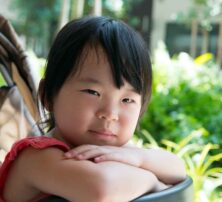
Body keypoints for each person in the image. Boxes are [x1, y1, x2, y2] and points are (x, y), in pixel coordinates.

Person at [0, 16, 186, 202]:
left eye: (127, 100)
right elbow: (102, 190)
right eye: (93, 92)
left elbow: (178, 169)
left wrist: (139, 158)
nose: (110, 114)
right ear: (47, 95)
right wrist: (154, 183)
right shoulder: (37, 158)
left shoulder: (117, 151)